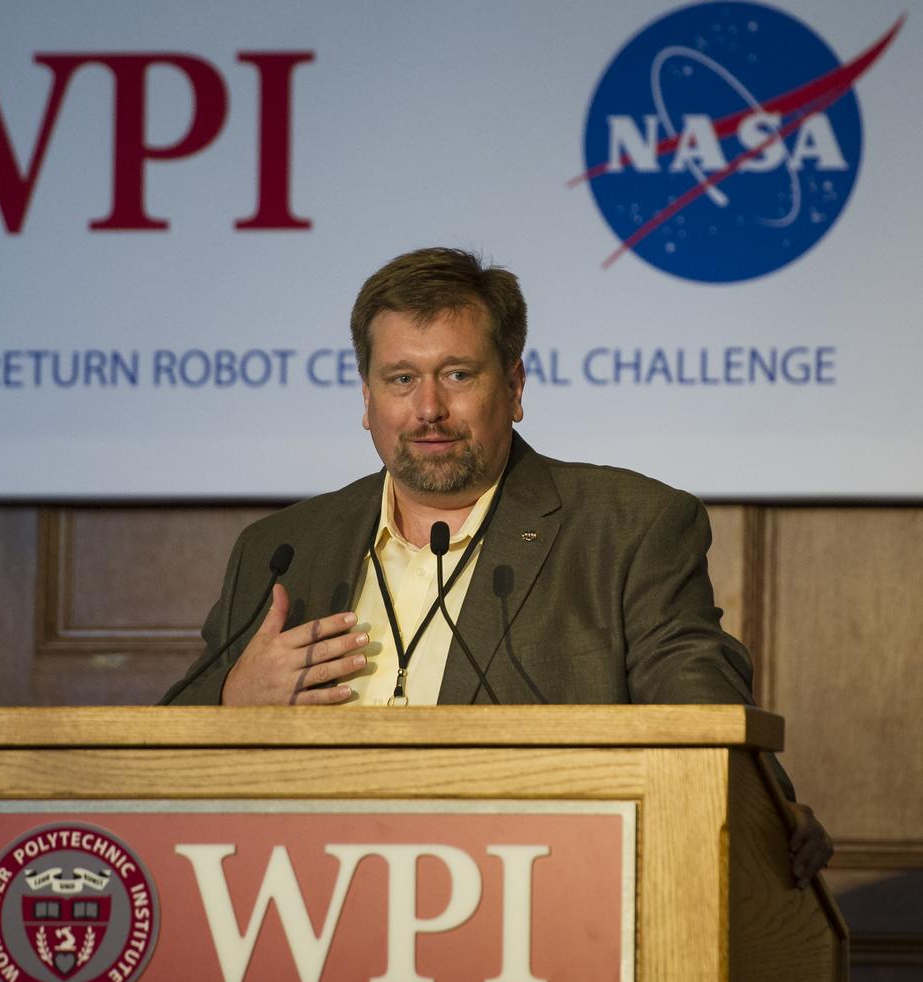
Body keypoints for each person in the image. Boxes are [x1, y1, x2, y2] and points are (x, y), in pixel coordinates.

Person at [161, 246, 832, 887]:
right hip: (299, 900)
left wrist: (767, 805)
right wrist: (230, 703)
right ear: (366, 399)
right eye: (401, 378)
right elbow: (148, 762)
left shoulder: (627, 527)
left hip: (542, 907)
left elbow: (700, 700)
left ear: (513, 386)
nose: (428, 409)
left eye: (457, 374)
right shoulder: (284, 548)